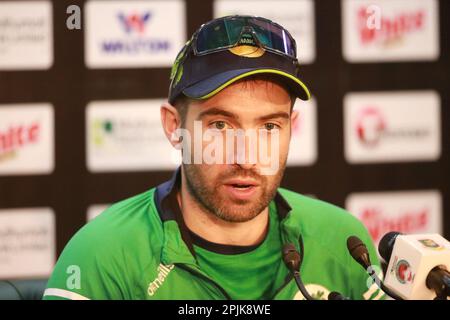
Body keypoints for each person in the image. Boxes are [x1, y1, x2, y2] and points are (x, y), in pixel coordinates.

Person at [43, 15, 383, 300]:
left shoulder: (345, 241)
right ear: (174, 126)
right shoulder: (100, 256)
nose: (247, 157)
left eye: (269, 127)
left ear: (292, 128)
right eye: (221, 125)